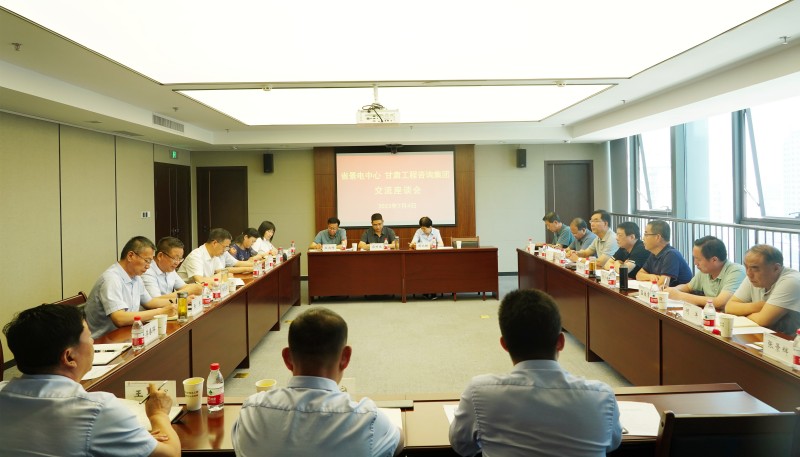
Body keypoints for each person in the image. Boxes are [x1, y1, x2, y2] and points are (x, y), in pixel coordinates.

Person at [449, 289, 622, 456]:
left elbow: (461, 446)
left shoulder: (479, 393)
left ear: (504, 344)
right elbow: (612, 444)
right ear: (560, 342)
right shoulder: (602, 397)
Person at [0, 304, 181, 457]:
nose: (93, 342)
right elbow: (170, 454)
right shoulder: (97, 409)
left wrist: (131, 440)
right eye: (88, 337)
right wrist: (158, 414)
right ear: (69, 357)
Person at [232, 307, 403, 456]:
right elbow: (398, 441)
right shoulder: (367, 420)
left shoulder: (251, 413)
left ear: (287, 358)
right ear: (345, 358)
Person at [85, 236, 174, 339]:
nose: (148, 266)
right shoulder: (111, 279)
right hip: (104, 341)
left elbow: (150, 302)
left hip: (127, 334)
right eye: (147, 260)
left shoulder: (136, 277)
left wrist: (179, 302)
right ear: (130, 256)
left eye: (150, 262)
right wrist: (161, 312)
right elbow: (119, 319)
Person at [726, 245, 800, 335]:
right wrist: (759, 306)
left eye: (755, 268)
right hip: (767, 335)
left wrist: (742, 313)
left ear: (776, 268)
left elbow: (763, 321)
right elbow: (729, 307)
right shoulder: (753, 277)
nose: (748, 273)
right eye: (746, 267)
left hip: (790, 340)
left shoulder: (791, 281)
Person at [666, 236, 745, 309]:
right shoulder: (706, 271)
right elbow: (688, 287)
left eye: (698, 259)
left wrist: (680, 296)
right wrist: (673, 290)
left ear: (714, 260)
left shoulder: (736, 271)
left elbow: (720, 302)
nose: (695, 263)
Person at [178, 228, 250, 284]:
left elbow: (222, 272)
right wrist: (220, 276)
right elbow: (200, 281)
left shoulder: (215, 255)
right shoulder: (196, 256)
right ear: (215, 243)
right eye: (225, 247)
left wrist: (223, 275)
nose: (225, 250)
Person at [636, 220, 693, 287]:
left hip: (679, 293)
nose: (643, 238)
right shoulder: (654, 254)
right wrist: (651, 276)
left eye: (646, 235)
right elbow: (638, 275)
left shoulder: (671, 254)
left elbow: (662, 284)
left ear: (657, 237)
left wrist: (652, 279)